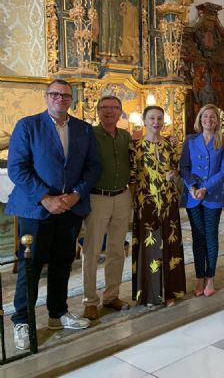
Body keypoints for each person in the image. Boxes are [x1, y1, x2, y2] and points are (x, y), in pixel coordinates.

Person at [7, 79, 101, 350]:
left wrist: (75, 195)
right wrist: (45, 198)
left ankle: (57, 314)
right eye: (55, 94)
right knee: (31, 266)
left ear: (71, 99)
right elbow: (17, 168)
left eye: (65, 95)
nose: (60, 98)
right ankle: (22, 321)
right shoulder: (28, 126)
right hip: (36, 209)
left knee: (62, 261)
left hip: (70, 208)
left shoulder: (83, 129)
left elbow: (93, 167)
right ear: (46, 97)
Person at [82, 96, 133, 321]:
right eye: (104, 108)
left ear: (120, 112)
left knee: (116, 249)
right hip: (97, 198)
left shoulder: (125, 136)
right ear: (98, 112)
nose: (109, 112)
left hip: (122, 196)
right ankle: (90, 301)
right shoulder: (89, 135)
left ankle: (111, 296)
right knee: (92, 251)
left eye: (114, 108)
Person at [130, 106, 186, 307]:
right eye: (152, 118)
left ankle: (170, 292)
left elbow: (177, 168)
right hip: (146, 203)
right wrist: (134, 202)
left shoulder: (170, 144)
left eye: (159, 118)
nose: (156, 122)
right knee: (149, 248)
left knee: (170, 246)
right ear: (144, 121)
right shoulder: (135, 146)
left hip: (168, 201)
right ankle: (149, 295)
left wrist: (174, 174)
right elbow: (133, 176)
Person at [180, 104, 224, 297]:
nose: (208, 120)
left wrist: (205, 188)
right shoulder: (190, 140)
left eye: (212, 117)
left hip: (213, 196)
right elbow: (184, 166)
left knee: (211, 236)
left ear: (217, 120)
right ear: (200, 119)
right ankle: (199, 277)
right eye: (205, 116)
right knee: (197, 237)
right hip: (193, 196)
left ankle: (210, 278)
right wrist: (193, 187)